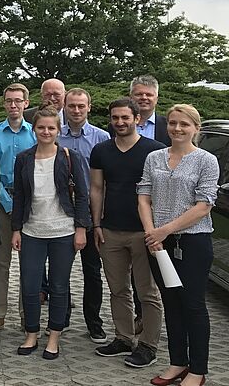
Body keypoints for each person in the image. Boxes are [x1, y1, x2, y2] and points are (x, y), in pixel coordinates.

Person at [138, 105, 219, 386]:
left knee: (193, 305)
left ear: (195, 128)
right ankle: (177, 363)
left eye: (184, 124)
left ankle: (198, 370)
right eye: (172, 123)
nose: (177, 129)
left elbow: (204, 205)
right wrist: (151, 233)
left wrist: (164, 230)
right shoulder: (154, 157)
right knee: (171, 303)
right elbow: (144, 195)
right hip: (158, 244)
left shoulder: (206, 160)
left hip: (193, 242)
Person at [11, 108, 91, 360]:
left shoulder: (70, 156)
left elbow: (82, 195)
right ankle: (32, 333)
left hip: (63, 232)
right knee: (31, 285)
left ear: (58, 130)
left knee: (59, 285)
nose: (46, 132)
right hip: (32, 230)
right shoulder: (24, 158)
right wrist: (16, 229)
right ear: (34, 130)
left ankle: (54, 335)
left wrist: (81, 229)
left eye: (51, 128)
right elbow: (20, 197)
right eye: (41, 128)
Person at [90, 97, 165, 367]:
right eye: (115, 118)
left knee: (147, 292)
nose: (120, 122)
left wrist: (157, 230)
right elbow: (97, 188)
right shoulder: (101, 151)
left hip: (144, 232)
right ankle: (123, 338)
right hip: (110, 230)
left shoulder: (155, 151)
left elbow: (160, 192)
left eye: (125, 118)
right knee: (118, 289)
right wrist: (96, 224)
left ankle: (148, 345)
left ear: (137, 119)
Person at [58, 88, 111, 343]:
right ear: (64, 107)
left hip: (91, 212)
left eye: (81, 106)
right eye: (71, 106)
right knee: (61, 269)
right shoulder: (54, 135)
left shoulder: (102, 138)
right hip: (62, 211)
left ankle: (94, 322)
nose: (76, 110)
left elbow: (105, 181)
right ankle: (62, 317)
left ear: (89, 107)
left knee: (92, 270)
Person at [0, 83, 35, 335]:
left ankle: (29, 316)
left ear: (26, 103)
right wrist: (8, 203)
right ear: (4, 104)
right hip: (1, 203)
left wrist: (22, 204)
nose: (13, 105)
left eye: (18, 101)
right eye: (8, 101)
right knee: (1, 263)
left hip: (31, 206)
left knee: (29, 263)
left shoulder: (35, 132)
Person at [130, 75, 171, 146]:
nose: (144, 97)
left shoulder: (168, 126)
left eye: (149, 95)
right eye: (139, 94)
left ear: (157, 99)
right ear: (130, 97)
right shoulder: (117, 126)